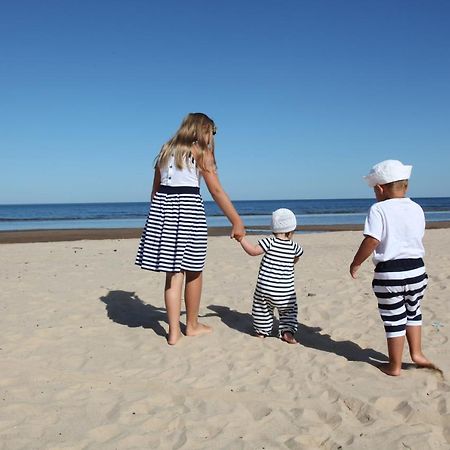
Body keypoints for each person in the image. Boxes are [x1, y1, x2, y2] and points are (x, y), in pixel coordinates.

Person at [135, 113, 245, 345]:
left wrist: (158, 219)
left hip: (163, 212)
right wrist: (236, 220)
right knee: (194, 269)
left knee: (173, 274)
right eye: (211, 132)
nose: (211, 137)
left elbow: (155, 191)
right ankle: (192, 325)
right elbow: (216, 191)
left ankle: (173, 332)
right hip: (188, 212)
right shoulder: (200, 151)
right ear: (201, 130)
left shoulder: (166, 149)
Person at [350, 159, 439, 376]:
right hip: (418, 270)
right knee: (413, 312)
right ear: (405, 186)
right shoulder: (417, 208)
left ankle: (394, 365)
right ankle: (417, 353)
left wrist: (356, 262)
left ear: (379, 189)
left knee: (394, 319)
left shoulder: (378, 209)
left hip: (390, 274)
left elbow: (372, 240)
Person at [238, 208, 303, 344]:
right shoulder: (295, 247)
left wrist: (242, 239)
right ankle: (287, 333)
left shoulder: (269, 242)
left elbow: (253, 251)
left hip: (265, 288)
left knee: (262, 309)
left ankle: (261, 332)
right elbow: (296, 258)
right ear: (291, 231)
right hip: (285, 291)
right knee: (288, 311)